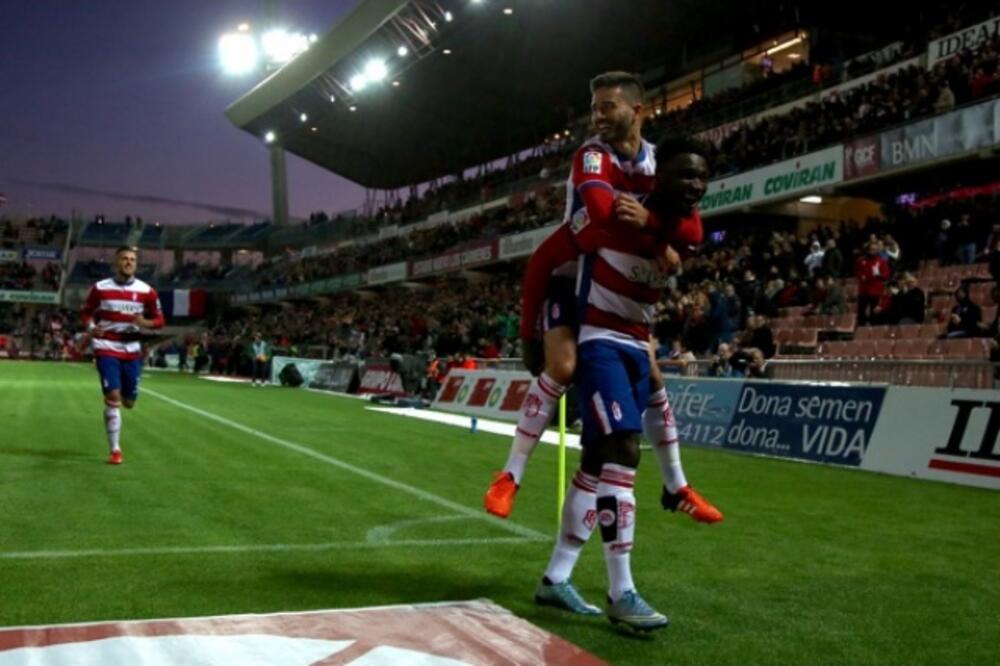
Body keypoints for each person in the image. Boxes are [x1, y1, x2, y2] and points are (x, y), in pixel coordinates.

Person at [485, 73, 720, 526]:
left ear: (638, 110)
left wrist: (653, 231)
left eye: (608, 106)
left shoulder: (660, 162)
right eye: (595, 107)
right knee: (563, 366)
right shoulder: (591, 154)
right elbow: (599, 214)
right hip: (570, 266)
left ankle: (676, 485)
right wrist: (527, 332)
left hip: (613, 277)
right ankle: (510, 474)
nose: (598, 115)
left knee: (652, 377)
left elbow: (691, 229)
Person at [533, 136, 714, 632]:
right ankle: (621, 591)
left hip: (636, 346)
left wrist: (657, 237)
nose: (694, 185)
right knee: (623, 452)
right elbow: (554, 250)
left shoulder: (677, 230)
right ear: (660, 177)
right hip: (598, 342)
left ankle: (555, 578)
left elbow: (690, 231)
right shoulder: (611, 209)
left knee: (595, 465)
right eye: (684, 175)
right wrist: (540, 331)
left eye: (701, 177)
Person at [78, 246, 164, 465]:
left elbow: (159, 321)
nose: (128, 262)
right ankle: (115, 450)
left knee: (129, 402)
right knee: (113, 397)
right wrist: (91, 327)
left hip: (132, 349)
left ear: (136, 264)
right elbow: (86, 312)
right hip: (106, 345)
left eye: (132, 259)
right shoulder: (100, 288)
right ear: (116, 263)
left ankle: (129, 392)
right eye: (124, 259)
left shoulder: (147, 291)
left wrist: (145, 323)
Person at [855, 240, 890, 326]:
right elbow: (856, 272)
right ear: (867, 250)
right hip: (863, 290)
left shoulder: (881, 261)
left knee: (874, 313)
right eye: (871, 249)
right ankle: (861, 330)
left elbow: (886, 275)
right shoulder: (861, 261)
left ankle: (873, 330)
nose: (872, 251)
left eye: (875, 249)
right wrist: (861, 276)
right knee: (861, 312)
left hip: (876, 290)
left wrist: (879, 275)